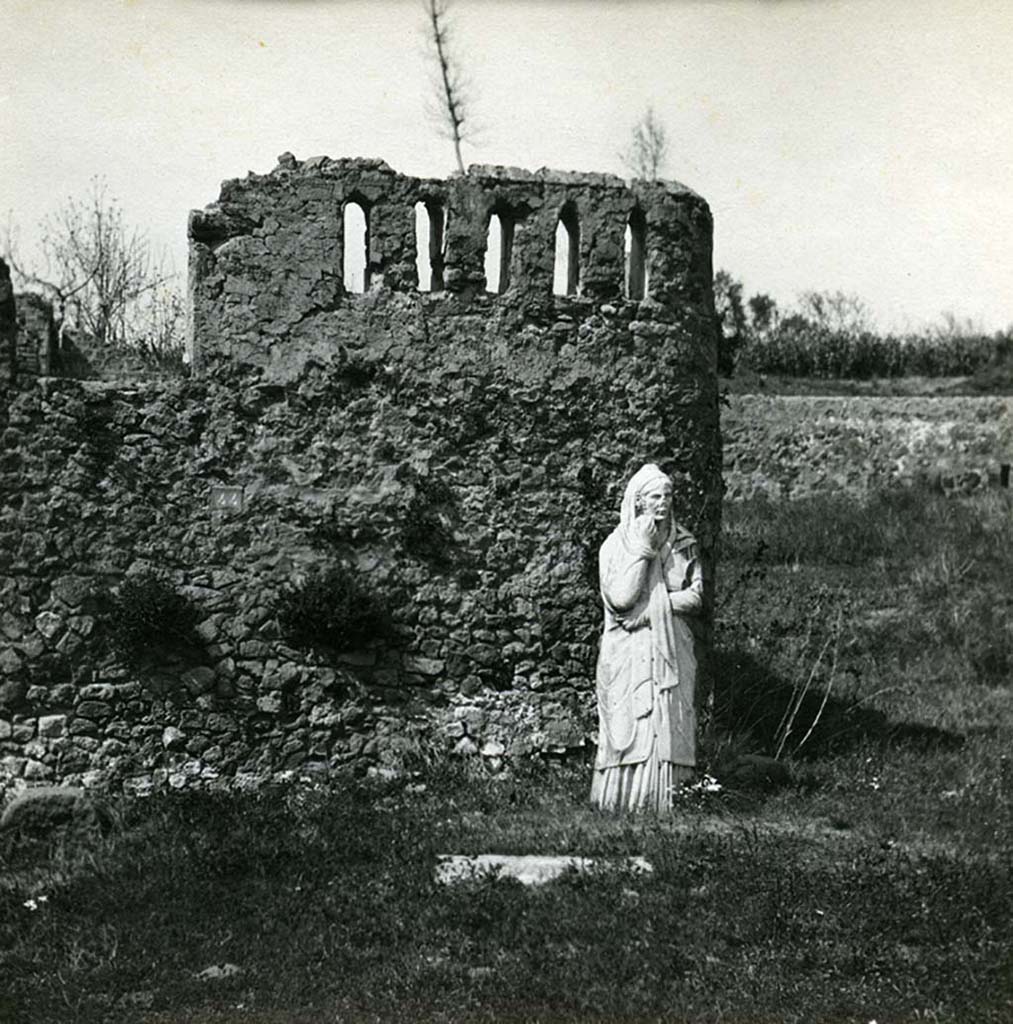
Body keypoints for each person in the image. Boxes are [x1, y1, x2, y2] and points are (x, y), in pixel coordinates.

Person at [590, 463, 703, 814]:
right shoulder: (616, 545)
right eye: (655, 496)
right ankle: (621, 799)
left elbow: (696, 595)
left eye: (668, 496)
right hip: (627, 648)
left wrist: (656, 607)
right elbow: (621, 600)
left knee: (669, 719)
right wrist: (643, 548)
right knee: (629, 723)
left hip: (671, 644)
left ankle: (670, 799)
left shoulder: (684, 542)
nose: (663, 503)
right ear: (638, 502)